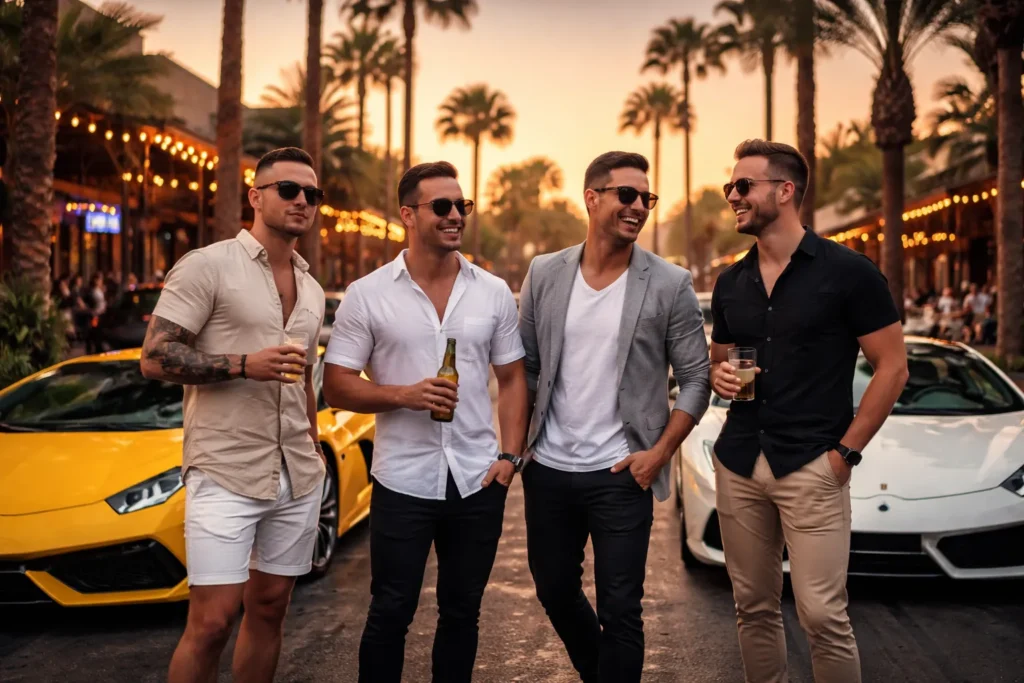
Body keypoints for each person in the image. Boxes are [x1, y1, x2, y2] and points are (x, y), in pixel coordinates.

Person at [710, 140, 909, 683]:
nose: (733, 196)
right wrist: (719, 374)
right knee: (753, 608)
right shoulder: (731, 282)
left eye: (743, 185)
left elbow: (892, 368)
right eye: (730, 187)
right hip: (740, 462)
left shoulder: (849, 272)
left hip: (814, 466)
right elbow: (718, 360)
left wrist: (845, 455)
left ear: (785, 190)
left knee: (823, 617)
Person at [323, 161, 529, 683]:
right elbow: (336, 384)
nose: (456, 215)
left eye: (462, 205)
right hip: (402, 481)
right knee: (390, 611)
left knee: (462, 613)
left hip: (478, 480)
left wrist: (510, 457)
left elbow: (511, 379)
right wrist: (404, 395)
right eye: (442, 206)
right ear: (408, 215)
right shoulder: (368, 293)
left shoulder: (493, 291)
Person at [518, 151, 711, 682]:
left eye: (647, 198)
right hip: (549, 469)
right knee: (554, 589)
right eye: (627, 194)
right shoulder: (545, 273)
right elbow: (526, 369)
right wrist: (517, 451)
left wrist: (658, 455)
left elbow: (696, 379)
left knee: (621, 609)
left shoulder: (670, 282)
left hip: (624, 472)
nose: (639, 206)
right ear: (592, 198)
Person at [141, 147, 327, 683]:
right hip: (225, 469)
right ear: (256, 197)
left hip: (296, 472)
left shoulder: (312, 288)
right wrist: (244, 364)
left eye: (311, 194)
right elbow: (154, 357)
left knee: (270, 609)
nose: (302, 201)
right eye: (288, 189)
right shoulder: (209, 265)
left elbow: (303, 379)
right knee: (212, 622)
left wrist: (314, 446)